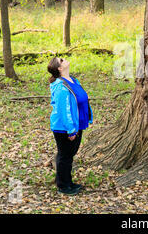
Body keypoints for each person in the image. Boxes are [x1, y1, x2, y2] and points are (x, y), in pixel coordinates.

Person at [47, 57, 93, 195]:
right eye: (61, 60)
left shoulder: (73, 80)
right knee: (65, 156)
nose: (64, 59)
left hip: (76, 124)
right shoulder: (61, 86)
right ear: (59, 68)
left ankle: (68, 182)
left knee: (69, 155)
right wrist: (70, 130)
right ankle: (63, 186)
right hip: (65, 127)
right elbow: (64, 110)